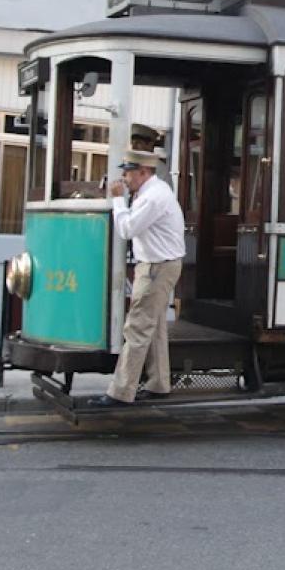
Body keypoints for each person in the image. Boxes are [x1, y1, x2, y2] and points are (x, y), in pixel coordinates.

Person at [88, 150, 186, 408]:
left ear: (144, 172)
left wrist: (118, 201)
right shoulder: (154, 192)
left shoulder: (153, 197)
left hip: (156, 267)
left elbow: (127, 229)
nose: (124, 177)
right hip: (159, 266)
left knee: (138, 327)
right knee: (154, 328)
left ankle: (121, 392)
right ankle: (159, 384)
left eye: (128, 172)